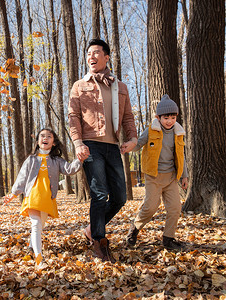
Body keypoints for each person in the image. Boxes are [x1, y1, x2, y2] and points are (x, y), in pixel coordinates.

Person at [68, 39, 138, 261]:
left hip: (113, 146)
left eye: (96, 52)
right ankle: (99, 240)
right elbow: (73, 117)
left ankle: (91, 228)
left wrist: (133, 139)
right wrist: (78, 143)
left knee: (120, 197)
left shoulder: (121, 87)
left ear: (107, 57)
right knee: (99, 193)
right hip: (91, 145)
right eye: (89, 53)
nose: (91, 56)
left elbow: (127, 116)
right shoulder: (80, 86)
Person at [3, 128, 86, 267]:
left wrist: (80, 159)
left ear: (53, 142)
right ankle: (39, 259)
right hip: (32, 196)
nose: (45, 138)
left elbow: (69, 169)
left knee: (40, 226)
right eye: (42, 136)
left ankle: (31, 247)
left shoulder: (56, 160)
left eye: (49, 136)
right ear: (37, 141)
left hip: (48, 198)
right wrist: (13, 193)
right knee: (35, 224)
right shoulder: (31, 159)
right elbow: (22, 178)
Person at [126, 94, 188, 251]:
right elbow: (138, 144)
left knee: (175, 208)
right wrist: (128, 146)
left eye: (173, 117)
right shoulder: (151, 131)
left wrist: (184, 175)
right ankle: (134, 228)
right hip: (153, 176)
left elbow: (181, 156)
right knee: (151, 207)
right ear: (158, 117)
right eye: (166, 117)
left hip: (171, 177)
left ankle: (168, 239)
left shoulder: (178, 132)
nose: (169, 121)